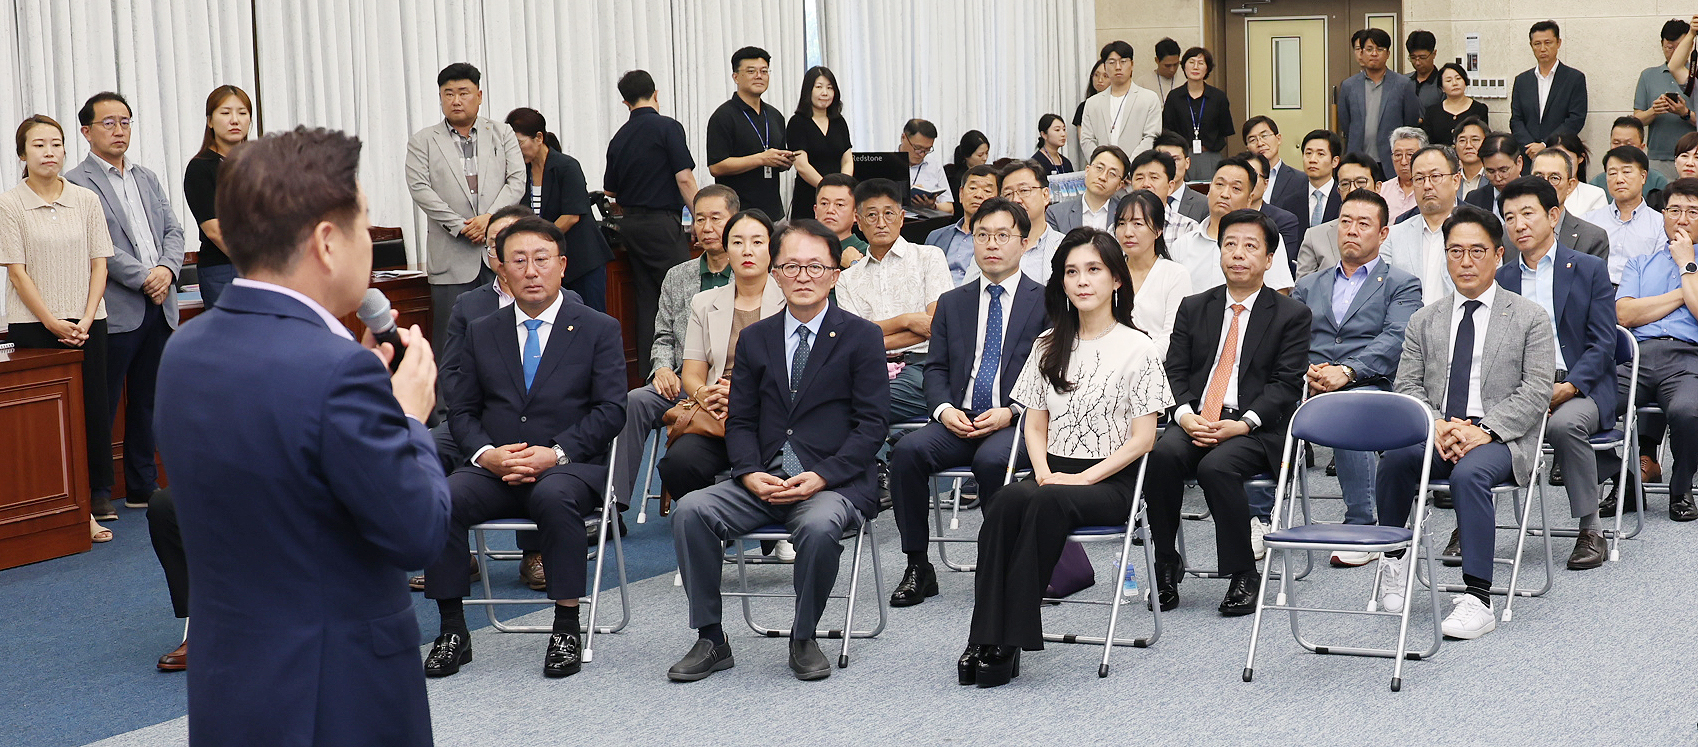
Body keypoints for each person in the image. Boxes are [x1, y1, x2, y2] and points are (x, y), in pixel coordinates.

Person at [154, 126, 450, 745]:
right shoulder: (334, 371)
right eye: (364, 225)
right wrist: (406, 417)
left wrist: (364, 400)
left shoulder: (186, 349)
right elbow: (418, 532)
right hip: (336, 693)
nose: (370, 243)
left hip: (232, 682)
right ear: (327, 242)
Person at [666, 219, 889, 683]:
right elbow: (741, 421)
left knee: (819, 525)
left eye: (815, 266)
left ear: (835, 274)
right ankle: (710, 637)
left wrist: (822, 475)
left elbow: (872, 427)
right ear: (776, 273)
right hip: (762, 478)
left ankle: (803, 636)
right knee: (690, 510)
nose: (803, 276)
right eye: (791, 266)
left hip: (832, 482)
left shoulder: (862, 336)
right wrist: (748, 472)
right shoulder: (756, 338)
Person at [961, 228, 1172, 688]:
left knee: (1045, 501)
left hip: (1111, 481)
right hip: (1053, 473)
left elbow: (1143, 440)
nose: (1082, 281)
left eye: (1094, 270)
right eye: (1072, 272)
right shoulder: (1048, 343)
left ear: (1116, 279)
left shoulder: (1139, 348)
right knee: (1005, 501)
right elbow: (1034, 425)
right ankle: (983, 633)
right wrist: (1042, 472)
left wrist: (1082, 479)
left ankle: (1008, 640)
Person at [423, 217, 625, 680]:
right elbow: (462, 410)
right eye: (518, 260)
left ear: (562, 265)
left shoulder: (598, 328)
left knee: (553, 496)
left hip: (568, 466)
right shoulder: (482, 330)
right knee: (441, 498)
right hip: (496, 465)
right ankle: (452, 630)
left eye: (541, 259)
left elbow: (611, 410)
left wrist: (555, 453)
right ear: (501, 268)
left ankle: (566, 627)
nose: (531, 271)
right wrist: (486, 455)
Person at [1371, 204, 1554, 640]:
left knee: (1469, 475)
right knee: (1396, 459)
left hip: (1501, 438)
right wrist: (1435, 424)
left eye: (1477, 251)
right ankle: (1395, 560)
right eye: (1456, 251)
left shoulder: (1529, 317)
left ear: (1498, 255)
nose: (1465, 262)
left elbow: (1536, 391)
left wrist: (1483, 430)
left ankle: (1478, 597)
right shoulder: (1425, 319)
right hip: (1439, 431)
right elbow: (1407, 384)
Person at [1145, 209, 1311, 615]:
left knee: (1216, 467)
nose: (1238, 254)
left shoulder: (1291, 315)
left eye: (1250, 246)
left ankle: (1243, 572)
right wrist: (1185, 416)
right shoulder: (1194, 307)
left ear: (1269, 259)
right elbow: (1174, 371)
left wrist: (1242, 424)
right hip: (1198, 417)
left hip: (1257, 426)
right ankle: (1165, 562)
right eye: (1230, 244)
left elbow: (1286, 385)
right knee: (1160, 456)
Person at [887, 198, 1048, 608]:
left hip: (1015, 419)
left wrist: (1012, 411)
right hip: (959, 419)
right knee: (906, 453)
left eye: (1002, 235)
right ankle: (918, 565)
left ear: (1024, 242)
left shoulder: (1046, 301)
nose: (991, 244)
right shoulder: (953, 302)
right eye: (982, 235)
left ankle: (999, 563)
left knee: (991, 462)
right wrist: (944, 410)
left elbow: (1052, 375)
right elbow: (935, 368)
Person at [1275, 189, 1421, 565]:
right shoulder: (1310, 284)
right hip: (1310, 380)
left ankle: (1363, 524)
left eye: (1363, 223)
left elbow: (1395, 339)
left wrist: (1347, 371)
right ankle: (1261, 518)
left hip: (1371, 382)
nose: (1352, 230)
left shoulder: (1401, 284)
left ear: (1383, 233)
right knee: (1262, 406)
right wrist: (1308, 369)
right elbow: (1291, 338)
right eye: (1345, 222)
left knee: (1346, 408)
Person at [65, 91, 185, 516]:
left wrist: (167, 270)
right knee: (104, 402)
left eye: (125, 122)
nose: (119, 130)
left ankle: (142, 485)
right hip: (116, 308)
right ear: (86, 131)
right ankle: (99, 490)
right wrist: (145, 277)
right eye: (109, 123)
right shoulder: (76, 183)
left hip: (161, 304)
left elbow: (174, 231)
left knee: (149, 400)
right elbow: (100, 246)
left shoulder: (146, 176)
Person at [1495, 176, 1619, 570]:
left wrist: (1569, 386)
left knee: (1564, 426)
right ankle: (1470, 525)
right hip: (1522, 386)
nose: (1518, 225)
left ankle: (1591, 529)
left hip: (1580, 383)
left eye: (1527, 214)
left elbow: (1604, 342)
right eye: (1509, 217)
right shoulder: (1503, 278)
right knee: (1482, 422)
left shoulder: (1588, 268)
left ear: (1553, 216)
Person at [2, 114, 114, 542]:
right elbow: (17, 272)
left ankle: (92, 501)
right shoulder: (10, 204)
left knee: (91, 414)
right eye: (38, 145)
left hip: (88, 323)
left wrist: (84, 318)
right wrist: (52, 322)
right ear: (22, 155)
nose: (49, 152)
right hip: (35, 327)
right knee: (49, 424)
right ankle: (63, 509)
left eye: (56, 144)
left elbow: (100, 264)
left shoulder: (86, 199)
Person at [610, 185, 739, 509]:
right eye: (699, 219)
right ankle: (613, 506)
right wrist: (662, 368)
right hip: (683, 381)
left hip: (731, 384)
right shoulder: (678, 276)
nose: (707, 227)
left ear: (735, 221)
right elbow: (663, 335)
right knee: (634, 402)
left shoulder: (751, 276)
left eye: (716, 218)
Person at [654, 208, 789, 508]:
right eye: (737, 242)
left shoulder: (790, 301)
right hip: (718, 415)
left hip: (774, 414)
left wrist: (742, 396)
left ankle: (756, 515)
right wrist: (705, 393)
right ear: (726, 249)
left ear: (773, 249)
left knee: (784, 461)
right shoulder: (704, 303)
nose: (747, 251)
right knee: (678, 463)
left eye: (757, 242)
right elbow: (692, 373)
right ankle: (710, 522)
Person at [406, 63, 527, 340]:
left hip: (499, 253)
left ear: (479, 96)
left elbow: (517, 180)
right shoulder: (423, 141)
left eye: (463, 92)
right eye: (448, 94)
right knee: (451, 338)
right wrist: (462, 226)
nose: (456, 100)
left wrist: (490, 220)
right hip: (451, 258)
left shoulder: (502, 133)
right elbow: (420, 189)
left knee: (505, 336)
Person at [1611, 176, 1698, 522]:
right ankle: (1626, 481)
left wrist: (1687, 264)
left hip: (1688, 359)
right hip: (1638, 356)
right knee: (1585, 409)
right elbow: (1625, 314)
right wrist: (1684, 292)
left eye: (1692, 212)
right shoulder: (1640, 263)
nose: (1682, 219)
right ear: (1663, 215)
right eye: (1674, 210)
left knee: (1689, 412)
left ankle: (1681, 487)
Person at [836, 178, 956, 424]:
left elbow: (935, 327)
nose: (881, 223)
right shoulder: (847, 278)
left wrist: (872, 339)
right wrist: (907, 320)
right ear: (858, 221)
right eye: (872, 215)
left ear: (901, 218)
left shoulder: (928, 257)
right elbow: (853, 340)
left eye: (889, 214)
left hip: (922, 366)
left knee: (858, 408)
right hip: (869, 369)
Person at [605, 69, 699, 362]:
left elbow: (610, 191)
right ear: (656, 93)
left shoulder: (619, 137)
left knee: (648, 300)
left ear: (625, 102)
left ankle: (651, 371)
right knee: (683, 293)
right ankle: (687, 366)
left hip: (631, 226)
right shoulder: (668, 127)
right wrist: (701, 217)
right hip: (662, 224)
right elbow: (684, 178)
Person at [507, 107, 613, 311]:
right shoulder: (521, 172)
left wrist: (538, 240)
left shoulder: (566, 166)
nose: (515, 150)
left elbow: (571, 216)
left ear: (539, 138)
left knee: (589, 317)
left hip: (581, 259)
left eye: (519, 143)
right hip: (546, 262)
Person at [1169, 154, 1296, 293]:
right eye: (1219, 185)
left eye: (1236, 188)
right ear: (1209, 190)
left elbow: (1279, 294)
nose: (1225, 194)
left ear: (1249, 199)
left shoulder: (1266, 239)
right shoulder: (1183, 245)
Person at [181, 85, 251, 308]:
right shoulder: (200, 168)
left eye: (242, 113)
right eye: (226, 113)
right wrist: (257, 264)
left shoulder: (260, 163)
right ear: (210, 121)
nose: (235, 120)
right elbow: (215, 231)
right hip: (225, 268)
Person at [707, 47, 790, 220]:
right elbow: (716, 166)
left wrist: (783, 161)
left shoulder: (775, 115)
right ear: (735, 77)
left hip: (773, 212)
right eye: (751, 71)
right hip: (738, 213)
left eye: (764, 71)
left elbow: (777, 159)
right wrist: (761, 159)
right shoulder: (723, 116)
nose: (759, 76)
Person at [1114, 189, 1192, 353]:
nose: (1128, 233)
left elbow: (1172, 335)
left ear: (1158, 230)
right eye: (1121, 224)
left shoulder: (1175, 274)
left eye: (1137, 224)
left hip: (1156, 362)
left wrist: (1139, 361)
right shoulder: (1110, 273)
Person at [1339, 28, 1423, 181]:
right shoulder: (1349, 86)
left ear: (1388, 54)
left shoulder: (1403, 84)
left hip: (1391, 161)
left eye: (1379, 49)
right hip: (1359, 159)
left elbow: (1410, 123)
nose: (1374, 53)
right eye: (1369, 49)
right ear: (1362, 53)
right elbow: (1346, 123)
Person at [1385, 145, 1465, 304]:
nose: (1427, 185)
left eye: (1435, 176)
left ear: (1456, 181)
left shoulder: (1478, 230)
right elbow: (1383, 292)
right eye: (1419, 178)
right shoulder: (1393, 236)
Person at [1584, 145, 1666, 284]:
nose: (1619, 179)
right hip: (1595, 291)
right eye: (1612, 173)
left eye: (1626, 172)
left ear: (1643, 177)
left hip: (1639, 292)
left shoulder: (1660, 224)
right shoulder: (1589, 220)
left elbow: (1659, 269)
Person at [1510, 21, 1589, 161]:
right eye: (1537, 44)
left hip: (1560, 153)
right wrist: (1530, 146)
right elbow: (1516, 119)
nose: (1543, 48)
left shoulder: (1574, 78)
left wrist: (1545, 144)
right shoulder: (1522, 80)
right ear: (1531, 45)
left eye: (1548, 43)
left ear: (1558, 43)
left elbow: (1576, 119)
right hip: (1528, 155)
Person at [1296, 151, 1381, 278]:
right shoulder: (1314, 237)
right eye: (1345, 184)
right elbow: (1302, 287)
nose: (1353, 189)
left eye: (1361, 182)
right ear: (1339, 191)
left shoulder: (1395, 234)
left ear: (1378, 187)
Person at [787, 65, 853, 222]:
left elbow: (847, 159)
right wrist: (826, 189)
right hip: (809, 196)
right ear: (808, 91)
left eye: (830, 88)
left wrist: (842, 187)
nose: (825, 93)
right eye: (819, 87)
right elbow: (802, 166)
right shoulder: (797, 122)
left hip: (839, 198)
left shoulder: (839, 122)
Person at [1079, 40, 1163, 159]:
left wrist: (1129, 165)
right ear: (1105, 66)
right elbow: (1087, 140)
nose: (1118, 67)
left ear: (1132, 64)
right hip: (1103, 167)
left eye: (1123, 62)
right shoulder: (1092, 103)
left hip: (1137, 167)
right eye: (1112, 62)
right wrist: (1103, 163)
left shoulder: (1149, 99)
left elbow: (1151, 137)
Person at [1162, 46, 1234, 181]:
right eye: (1191, 62)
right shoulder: (1174, 97)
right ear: (1184, 67)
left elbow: (1225, 130)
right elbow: (1167, 129)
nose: (1195, 67)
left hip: (1211, 155)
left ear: (1207, 68)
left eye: (1201, 63)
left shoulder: (1218, 97)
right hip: (1181, 156)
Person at [1529, 147, 1612, 261]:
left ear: (1570, 185)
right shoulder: (1510, 234)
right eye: (1538, 177)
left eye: (1554, 178)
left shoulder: (1592, 238)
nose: (1545, 184)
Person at [996, 159, 1066, 284]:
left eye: (1024, 190)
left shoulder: (1065, 246)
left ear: (1045, 195)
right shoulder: (991, 245)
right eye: (1008, 194)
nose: (1016, 200)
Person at [928, 164, 998, 282]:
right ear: (961, 194)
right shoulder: (935, 237)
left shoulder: (1001, 241)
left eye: (987, 191)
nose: (978, 195)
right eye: (973, 188)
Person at [1241, 151, 1305, 266]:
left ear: (1266, 184)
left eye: (1253, 176)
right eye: (1243, 176)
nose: (1248, 182)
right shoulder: (1224, 216)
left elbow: (1281, 262)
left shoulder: (1284, 221)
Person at [1047, 145, 1127, 235]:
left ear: (1119, 185)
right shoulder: (1056, 214)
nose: (1103, 177)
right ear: (1087, 170)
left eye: (1112, 173)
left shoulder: (1126, 214)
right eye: (1099, 168)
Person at [1243, 116, 1308, 227]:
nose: (1260, 143)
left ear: (1278, 139)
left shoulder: (1300, 180)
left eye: (1264, 136)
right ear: (1247, 148)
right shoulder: (1241, 178)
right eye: (1253, 140)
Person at [1127, 149, 1201, 246]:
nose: (1146, 184)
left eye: (1154, 177)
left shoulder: (1188, 228)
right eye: (1139, 178)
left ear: (1170, 187)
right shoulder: (1119, 228)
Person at [1588, 118, 1672, 194]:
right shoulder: (1596, 184)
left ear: (1641, 147)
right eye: (1616, 143)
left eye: (1628, 144)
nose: (1622, 148)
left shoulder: (1657, 181)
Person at [1423, 63, 1489, 147]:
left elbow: (1483, 139)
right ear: (1442, 88)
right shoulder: (1432, 111)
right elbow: (1428, 142)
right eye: (1448, 80)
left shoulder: (1479, 109)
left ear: (1465, 82)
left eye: (1458, 78)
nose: (1454, 83)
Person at [1543, 133, 1610, 216]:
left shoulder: (1594, 195)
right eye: (1555, 158)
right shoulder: (1535, 191)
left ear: (1580, 158)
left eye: (1567, 159)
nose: (1561, 164)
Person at [1153, 130, 1210, 222]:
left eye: (1175, 159)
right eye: (1163, 159)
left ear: (1187, 163)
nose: (1170, 165)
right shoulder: (1143, 200)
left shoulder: (1203, 204)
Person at [1463, 131, 1521, 217]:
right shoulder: (1474, 200)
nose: (1498, 178)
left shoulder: (1535, 194)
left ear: (1519, 163)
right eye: (1491, 171)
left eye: (1503, 170)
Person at [813, 172, 867, 262]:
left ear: (856, 214)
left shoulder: (868, 253)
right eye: (824, 203)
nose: (830, 210)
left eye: (839, 204)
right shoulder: (801, 250)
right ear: (815, 211)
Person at [900, 118, 952, 211]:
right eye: (917, 147)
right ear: (903, 138)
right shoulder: (886, 162)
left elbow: (950, 208)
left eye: (927, 149)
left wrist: (932, 206)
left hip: (925, 219)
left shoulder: (934, 166)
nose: (922, 154)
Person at [1377, 127, 1427, 218]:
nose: (1404, 162)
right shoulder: (1382, 191)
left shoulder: (1431, 189)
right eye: (1398, 155)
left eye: (1410, 155)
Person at [1300, 129, 1344, 227]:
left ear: (1335, 161)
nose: (1312, 160)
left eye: (1320, 154)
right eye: (1308, 153)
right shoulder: (1290, 202)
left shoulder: (1343, 198)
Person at [1072, 59, 1110, 158]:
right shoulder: (1084, 107)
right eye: (1096, 75)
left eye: (1105, 76)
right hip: (1094, 157)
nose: (1100, 80)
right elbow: (1084, 140)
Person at [945, 130, 991, 208]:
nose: (985, 158)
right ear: (967, 156)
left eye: (986, 153)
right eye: (980, 155)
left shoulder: (989, 173)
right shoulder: (958, 179)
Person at [1408, 30, 1444, 113]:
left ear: (1434, 54)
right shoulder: (1403, 82)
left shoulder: (1443, 83)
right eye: (1413, 58)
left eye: (1423, 57)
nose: (1417, 62)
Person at [1453, 116, 1491, 196]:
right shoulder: (1450, 179)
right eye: (1462, 140)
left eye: (1475, 140)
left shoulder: (1494, 177)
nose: (1468, 146)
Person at [1150, 37, 1183, 102]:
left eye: (1176, 64)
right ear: (1157, 60)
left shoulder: (1185, 80)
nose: (1172, 70)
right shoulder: (1143, 83)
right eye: (1167, 66)